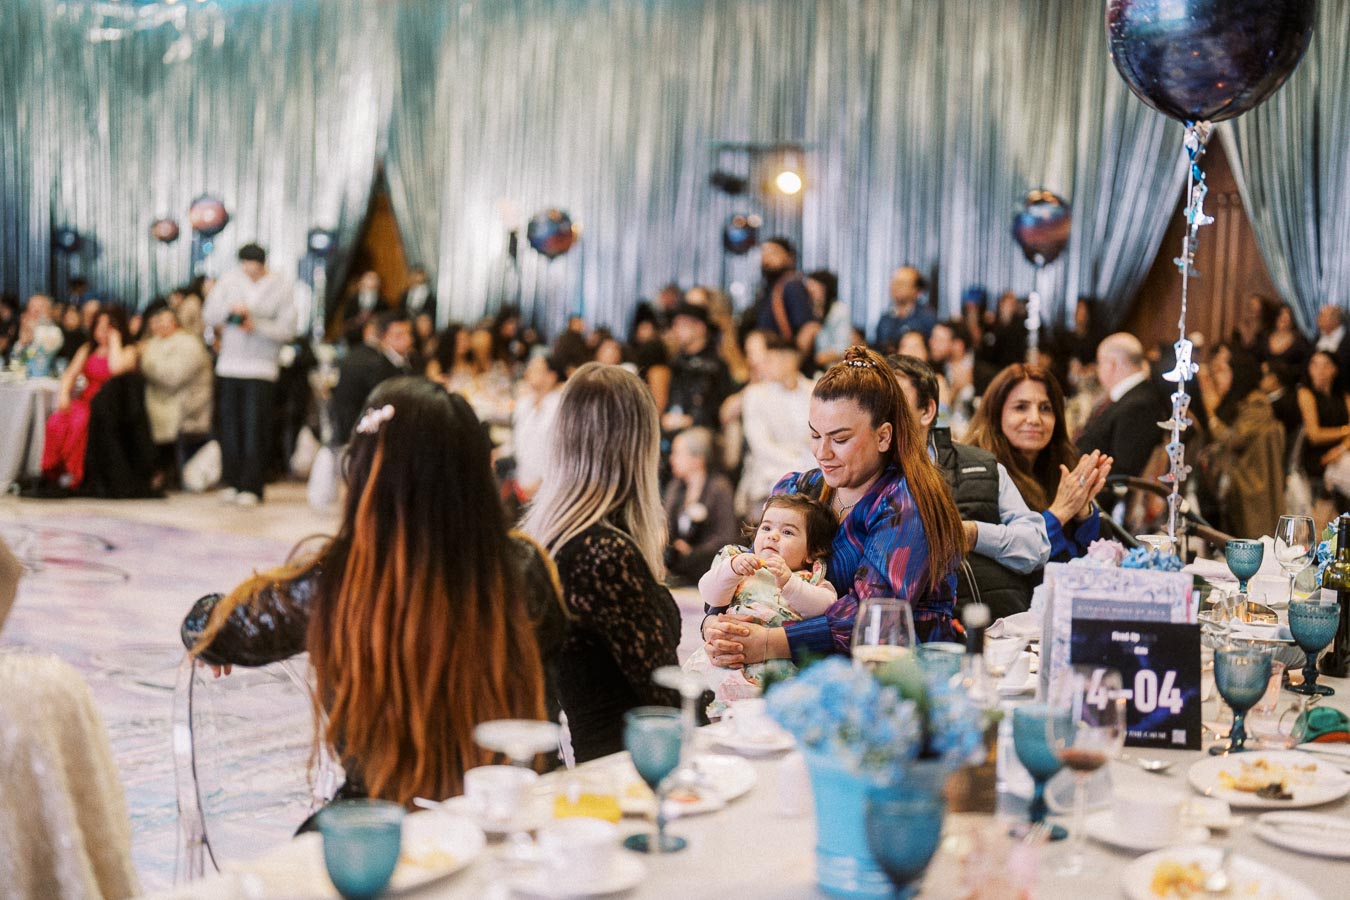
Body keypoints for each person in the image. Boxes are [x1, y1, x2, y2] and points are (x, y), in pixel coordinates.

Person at [181, 378, 565, 806]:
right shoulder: (524, 568)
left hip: (379, 823)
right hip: (511, 809)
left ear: (366, 477)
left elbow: (205, 626)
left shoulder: (334, 582)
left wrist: (211, 631)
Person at [703, 346, 965, 669]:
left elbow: (874, 615)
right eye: (815, 435)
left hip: (899, 671)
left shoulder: (908, 504)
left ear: (884, 436)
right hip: (799, 660)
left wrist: (769, 643)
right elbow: (750, 567)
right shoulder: (799, 488)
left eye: (839, 439)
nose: (822, 453)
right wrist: (716, 624)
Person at [520, 364, 682, 763]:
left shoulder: (549, 541)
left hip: (602, 763)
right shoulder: (604, 555)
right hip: (630, 769)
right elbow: (666, 699)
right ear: (640, 447)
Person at [890, 355, 1049, 617]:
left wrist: (974, 535)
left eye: (895, 403)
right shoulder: (860, 474)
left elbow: (1036, 546)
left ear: (927, 411)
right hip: (904, 626)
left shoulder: (981, 466)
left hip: (995, 625)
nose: (883, 415)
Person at [683, 494, 838, 705]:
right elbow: (709, 594)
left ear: (811, 553)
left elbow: (824, 608)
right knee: (697, 701)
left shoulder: (810, 579)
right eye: (766, 528)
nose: (773, 536)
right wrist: (732, 569)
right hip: (723, 660)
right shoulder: (739, 564)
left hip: (772, 671)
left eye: (787, 532)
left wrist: (789, 583)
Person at [966, 364, 1113, 563]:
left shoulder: (1061, 465)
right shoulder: (977, 472)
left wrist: (1083, 512)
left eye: (1045, 408)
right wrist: (1059, 513)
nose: (1034, 419)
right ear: (996, 414)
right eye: (1021, 407)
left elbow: (1097, 558)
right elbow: (1009, 560)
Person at [203, 243, 296, 506]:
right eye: (245, 266)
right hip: (230, 364)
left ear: (263, 265)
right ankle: (233, 481)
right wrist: (232, 311)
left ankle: (252, 485)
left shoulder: (281, 286)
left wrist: (256, 324)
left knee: (256, 428)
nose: (249, 271)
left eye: (254, 266)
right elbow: (209, 314)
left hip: (261, 367)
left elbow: (288, 329)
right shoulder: (229, 281)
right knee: (230, 427)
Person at [41, 307, 138, 491]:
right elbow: (70, 374)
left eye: (108, 327)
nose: (102, 332)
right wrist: (64, 395)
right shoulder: (87, 349)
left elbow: (116, 369)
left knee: (80, 423)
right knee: (57, 420)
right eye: (99, 327)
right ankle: (55, 470)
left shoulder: (129, 351)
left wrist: (114, 342)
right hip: (85, 399)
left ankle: (75, 473)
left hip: (110, 404)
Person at [1198, 345, 1284, 539]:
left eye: (1224, 372)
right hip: (1234, 482)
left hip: (1250, 486)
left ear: (1239, 374)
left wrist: (1210, 412)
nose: (1218, 378)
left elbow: (1231, 440)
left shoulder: (1257, 404)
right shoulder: (1238, 401)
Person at [734, 334, 816, 516]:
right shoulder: (755, 395)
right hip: (770, 470)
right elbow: (761, 446)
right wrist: (800, 465)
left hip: (813, 466)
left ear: (790, 360)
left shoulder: (815, 390)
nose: (764, 366)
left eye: (771, 360)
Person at [139, 303, 213, 488]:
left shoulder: (189, 344)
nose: (161, 325)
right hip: (162, 399)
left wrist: (146, 361)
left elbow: (173, 377)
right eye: (157, 321)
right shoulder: (155, 342)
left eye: (166, 320)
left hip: (187, 404)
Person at [1076, 332, 1164, 479]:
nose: (1097, 370)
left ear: (1112, 364)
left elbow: (1123, 470)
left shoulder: (1139, 405)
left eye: (1099, 363)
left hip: (1095, 487)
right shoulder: (1130, 397)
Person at [663, 427, 738, 583]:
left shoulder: (719, 488)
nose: (672, 459)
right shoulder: (676, 487)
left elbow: (725, 536)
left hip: (708, 563)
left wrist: (693, 551)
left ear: (698, 459)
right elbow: (666, 526)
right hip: (679, 562)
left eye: (677, 453)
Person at [331, 313, 414, 441]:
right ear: (384, 337)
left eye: (409, 334)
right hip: (366, 432)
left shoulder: (412, 361)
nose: (407, 339)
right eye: (399, 335)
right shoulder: (376, 364)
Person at [662, 303, 733, 436]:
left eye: (683, 324)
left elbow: (719, 410)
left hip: (704, 433)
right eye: (675, 324)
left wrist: (690, 421)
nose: (676, 330)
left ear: (700, 328)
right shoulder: (677, 363)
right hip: (673, 428)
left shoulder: (717, 365)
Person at [1297, 350, 1350, 509]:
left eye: (1325, 365)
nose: (1319, 370)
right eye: (1314, 364)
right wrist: (1346, 431)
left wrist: (1341, 448)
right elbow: (1314, 435)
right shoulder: (1306, 394)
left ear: (1334, 369)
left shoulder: (1344, 397)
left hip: (1341, 453)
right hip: (1318, 457)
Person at [510, 352, 565, 500]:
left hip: (550, 488)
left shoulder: (560, 408)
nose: (529, 373)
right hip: (522, 483)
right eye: (529, 369)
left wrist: (542, 483)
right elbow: (518, 443)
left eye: (536, 370)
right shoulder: (523, 404)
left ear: (551, 376)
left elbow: (563, 453)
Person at [748, 237, 818, 356]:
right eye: (764, 253)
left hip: (783, 359)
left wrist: (796, 359)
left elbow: (809, 327)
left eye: (773, 253)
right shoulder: (770, 288)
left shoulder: (792, 285)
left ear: (790, 257)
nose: (766, 258)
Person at [874, 266, 936, 353]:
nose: (895, 287)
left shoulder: (927, 317)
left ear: (917, 290)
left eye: (901, 283)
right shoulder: (885, 318)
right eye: (894, 282)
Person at [1315, 304, 1350, 393]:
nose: (1318, 319)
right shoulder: (1316, 339)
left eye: (1322, 315)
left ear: (1335, 319)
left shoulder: (1347, 340)